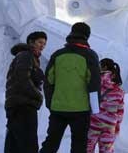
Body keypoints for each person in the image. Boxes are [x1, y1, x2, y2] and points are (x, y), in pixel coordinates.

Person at [40, 22, 101, 153]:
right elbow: (94, 84)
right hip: (81, 110)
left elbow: (48, 81)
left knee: (51, 142)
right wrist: (95, 110)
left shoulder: (57, 55)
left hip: (58, 108)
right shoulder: (90, 55)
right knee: (79, 145)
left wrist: (51, 103)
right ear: (87, 36)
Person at [4, 31, 47, 153]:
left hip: (16, 105)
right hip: (23, 105)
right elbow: (22, 78)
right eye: (39, 42)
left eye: (44, 43)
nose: (42, 46)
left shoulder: (29, 57)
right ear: (31, 42)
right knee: (28, 144)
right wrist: (38, 96)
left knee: (14, 144)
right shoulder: (26, 56)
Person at [87, 58, 124, 153]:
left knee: (87, 148)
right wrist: (116, 127)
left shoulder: (94, 82)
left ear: (105, 67)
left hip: (93, 122)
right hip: (109, 125)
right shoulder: (118, 90)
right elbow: (120, 113)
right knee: (107, 151)